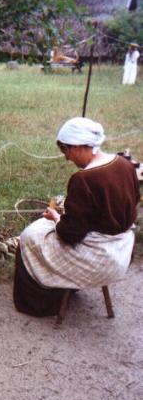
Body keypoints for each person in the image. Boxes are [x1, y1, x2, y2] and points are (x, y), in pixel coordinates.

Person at [14, 117, 140, 317]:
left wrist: (56, 217)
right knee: (39, 232)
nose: (66, 157)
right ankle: (65, 287)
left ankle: (40, 303)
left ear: (79, 146)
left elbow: (70, 235)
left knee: (30, 237)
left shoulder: (84, 179)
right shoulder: (124, 164)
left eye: (66, 150)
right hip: (122, 251)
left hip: (99, 259)